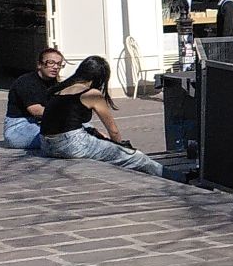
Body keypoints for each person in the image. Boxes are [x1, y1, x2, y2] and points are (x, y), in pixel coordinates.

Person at [37, 56, 165, 176]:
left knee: (95, 134)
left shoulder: (60, 90)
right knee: (138, 158)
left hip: (47, 145)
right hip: (72, 144)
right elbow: (113, 131)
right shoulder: (92, 94)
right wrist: (120, 147)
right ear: (100, 78)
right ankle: (170, 176)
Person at [3, 45, 65, 151]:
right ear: (39, 65)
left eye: (59, 64)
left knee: (83, 128)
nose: (55, 67)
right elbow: (36, 110)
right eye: (51, 63)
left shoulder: (55, 84)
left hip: (42, 123)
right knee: (61, 137)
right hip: (19, 127)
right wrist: (67, 114)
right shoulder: (26, 82)